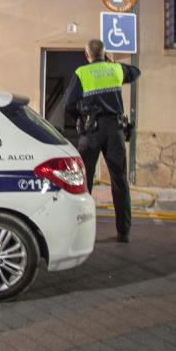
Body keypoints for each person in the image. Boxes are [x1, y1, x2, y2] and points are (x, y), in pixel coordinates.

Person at [64, 38, 141, 243]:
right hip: (115, 131)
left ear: (86, 54)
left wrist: (79, 119)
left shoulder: (82, 73)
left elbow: (69, 104)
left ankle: (83, 232)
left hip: (91, 132)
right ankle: (123, 232)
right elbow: (136, 72)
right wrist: (111, 62)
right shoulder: (115, 70)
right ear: (104, 54)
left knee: (84, 182)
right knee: (119, 181)